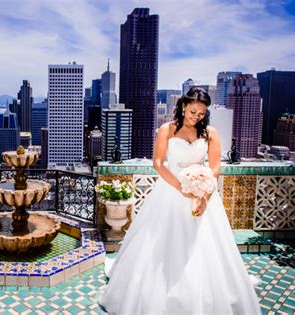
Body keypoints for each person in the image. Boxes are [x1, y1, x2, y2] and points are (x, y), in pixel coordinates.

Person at [98, 87, 260, 314]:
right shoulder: (167, 129)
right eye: (193, 111)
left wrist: (204, 195)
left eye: (202, 113)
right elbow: (158, 163)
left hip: (202, 195)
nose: (197, 116)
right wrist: (182, 189)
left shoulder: (210, 133)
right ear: (184, 106)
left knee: (205, 247)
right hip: (171, 191)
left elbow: (214, 168)